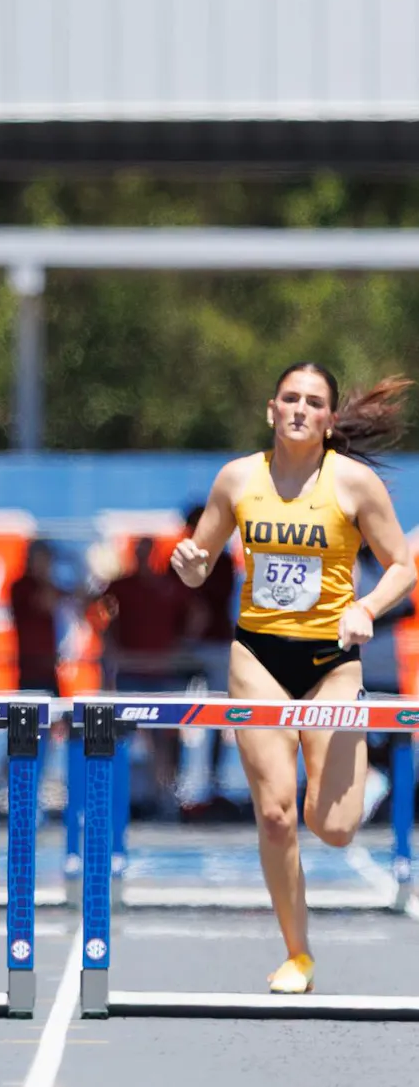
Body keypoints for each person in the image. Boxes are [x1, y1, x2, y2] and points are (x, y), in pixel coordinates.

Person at [171, 363, 416, 995]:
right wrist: (189, 564)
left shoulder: (354, 484)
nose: (301, 409)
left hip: (332, 661)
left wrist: (365, 608)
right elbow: (198, 566)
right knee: (276, 817)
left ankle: (324, 797)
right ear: (271, 410)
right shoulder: (237, 478)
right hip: (257, 657)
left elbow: (403, 567)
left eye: (315, 401)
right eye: (291, 399)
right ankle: (297, 954)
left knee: (332, 828)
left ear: (330, 420)